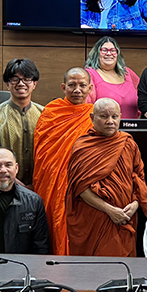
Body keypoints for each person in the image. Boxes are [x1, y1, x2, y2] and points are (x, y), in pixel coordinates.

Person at [64, 98, 147, 257]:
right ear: (92, 118)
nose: (110, 121)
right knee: (96, 270)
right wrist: (110, 210)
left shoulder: (128, 143)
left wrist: (135, 204)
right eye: (104, 116)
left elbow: (139, 179)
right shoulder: (83, 147)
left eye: (114, 116)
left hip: (126, 217)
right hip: (95, 219)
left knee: (124, 269)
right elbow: (79, 188)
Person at [32, 67, 95, 255]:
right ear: (63, 87)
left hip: (82, 185)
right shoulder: (51, 112)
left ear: (90, 88)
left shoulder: (94, 114)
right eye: (72, 85)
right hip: (54, 181)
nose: (77, 90)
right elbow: (43, 155)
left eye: (82, 85)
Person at [0, 58, 43, 186]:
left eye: (27, 79)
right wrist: (19, 186)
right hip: (3, 187)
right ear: (8, 84)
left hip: (40, 189)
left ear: (34, 83)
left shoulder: (46, 115)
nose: (21, 83)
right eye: (15, 79)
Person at [86, 36, 141, 120]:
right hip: (104, 131)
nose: (109, 53)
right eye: (104, 50)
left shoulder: (128, 73)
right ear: (97, 53)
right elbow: (86, 107)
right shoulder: (90, 74)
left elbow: (144, 98)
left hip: (134, 130)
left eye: (113, 50)